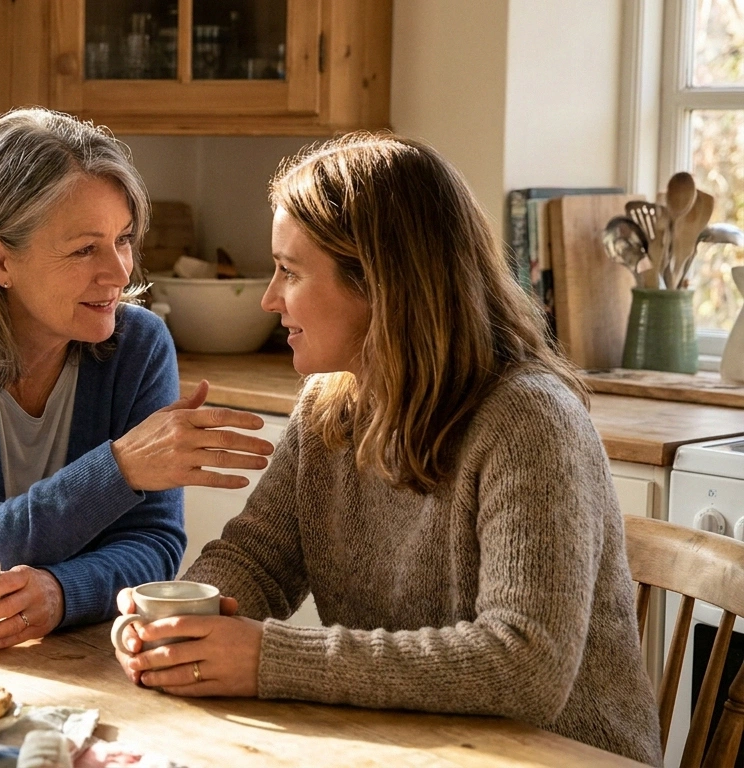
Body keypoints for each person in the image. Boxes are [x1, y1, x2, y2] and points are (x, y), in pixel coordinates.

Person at [113, 134, 662, 765]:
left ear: (379, 283)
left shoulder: (529, 421)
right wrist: (179, 622)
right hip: (413, 747)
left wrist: (268, 658)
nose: (270, 299)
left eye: (290, 272)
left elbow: (524, 666)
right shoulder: (331, 403)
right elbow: (258, 559)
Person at [0, 107, 275, 650]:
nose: (120, 271)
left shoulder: (138, 346)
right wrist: (120, 469)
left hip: (54, 651)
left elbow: (153, 543)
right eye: (84, 249)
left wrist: (61, 593)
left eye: (123, 239)